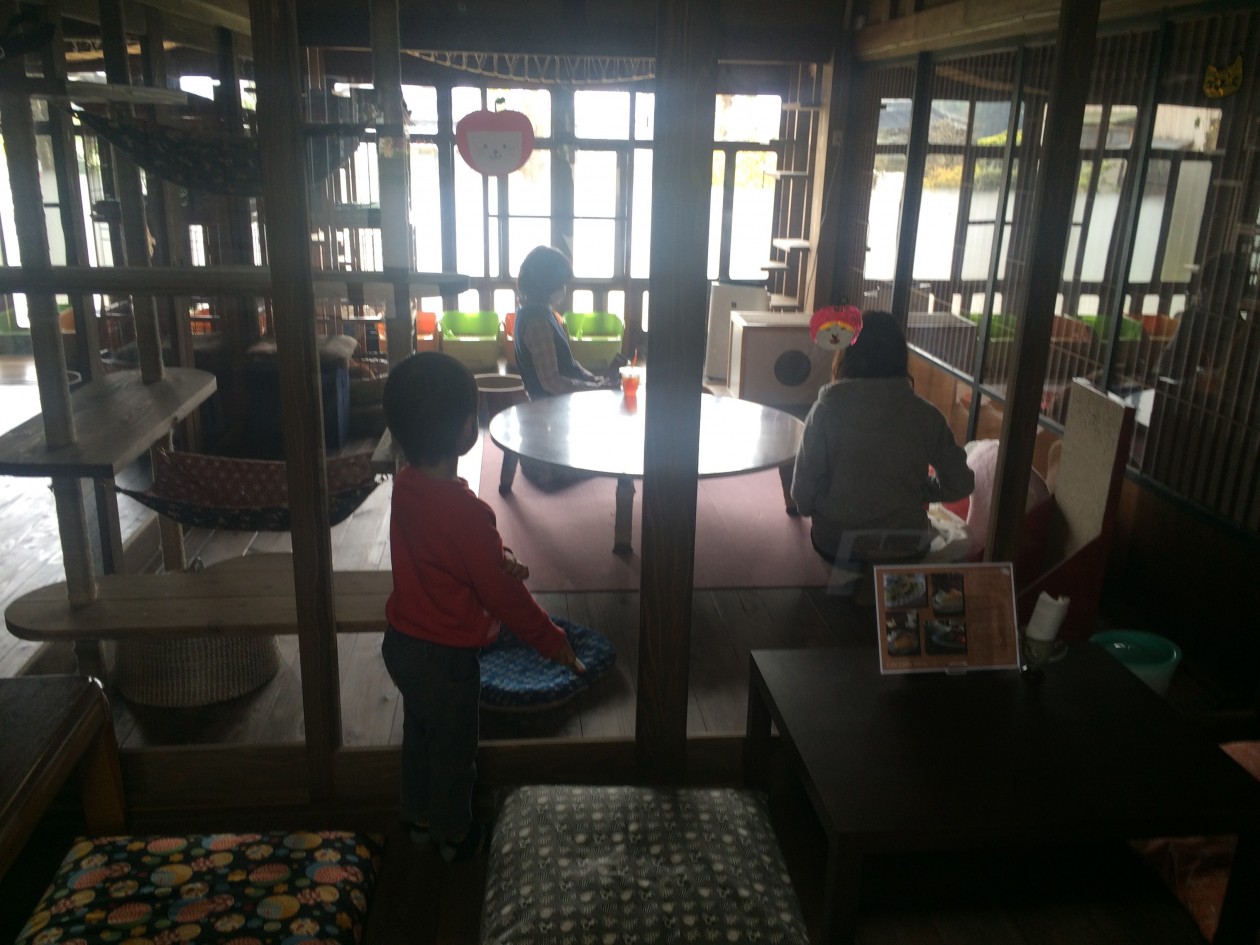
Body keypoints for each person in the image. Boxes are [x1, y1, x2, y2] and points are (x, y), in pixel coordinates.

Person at [380, 351, 584, 863]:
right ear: (469, 429)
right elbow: (502, 596)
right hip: (445, 658)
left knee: (419, 733)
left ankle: (418, 817)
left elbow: (444, 552)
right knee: (455, 752)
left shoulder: (404, 487)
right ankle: (455, 835)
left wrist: (499, 556)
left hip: (401, 644)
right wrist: (552, 642)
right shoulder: (468, 513)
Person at [790, 310, 974, 566]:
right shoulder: (925, 416)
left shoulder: (823, 413)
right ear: (901, 358)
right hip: (906, 545)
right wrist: (922, 490)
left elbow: (802, 494)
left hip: (837, 544)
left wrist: (828, 506)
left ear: (845, 356)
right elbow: (961, 484)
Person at [512, 245, 625, 488]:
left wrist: (595, 380)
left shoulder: (542, 312)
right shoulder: (537, 322)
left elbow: (569, 364)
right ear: (546, 285)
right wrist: (595, 390)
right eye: (560, 284)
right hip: (549, 403)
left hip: (554, 397)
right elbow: (551, 382)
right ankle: (553, 468)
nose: (564, 289)